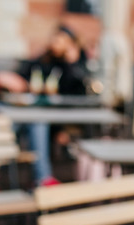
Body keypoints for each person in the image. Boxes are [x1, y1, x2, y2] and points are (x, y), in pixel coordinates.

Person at [16, 25, 90, 186]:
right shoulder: (44, 61)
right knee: (35, 122)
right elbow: (25, 74)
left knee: (38, 123)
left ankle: (41, 177)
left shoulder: (73, 64)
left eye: (61, 41)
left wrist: (72, 61)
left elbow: (77, 92)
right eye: (55, 39)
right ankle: (40, 178)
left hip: (63, 118)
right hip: (37, 112)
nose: (56, 43)